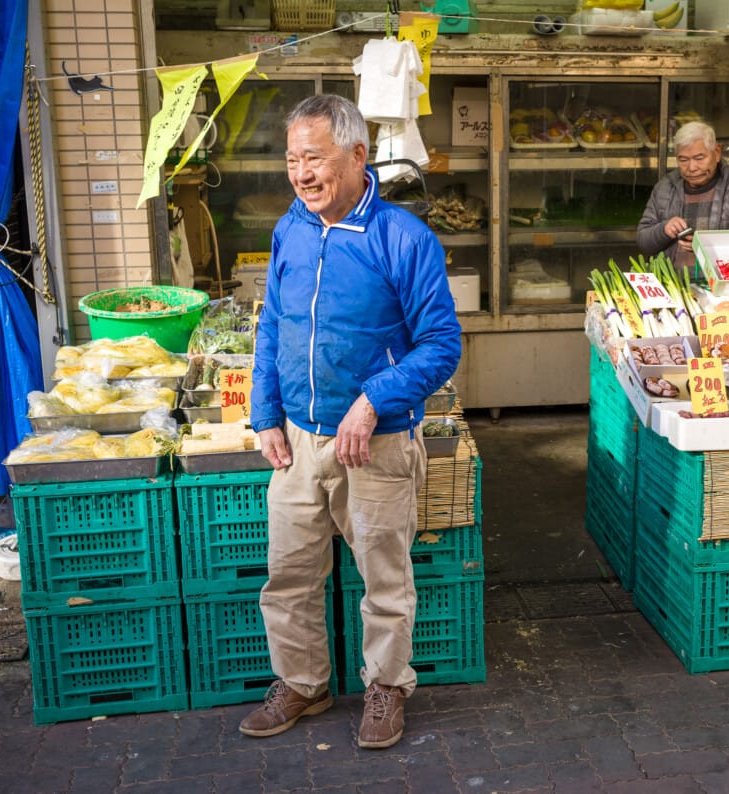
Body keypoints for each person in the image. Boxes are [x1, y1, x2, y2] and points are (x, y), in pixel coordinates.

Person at [239, 94, 461, 749]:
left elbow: (441, 343)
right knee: (289, 574)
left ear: (357, 155)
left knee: (385, 579)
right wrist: (264, 414)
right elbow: (273, 324)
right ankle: (303, 685)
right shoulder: (291, 229)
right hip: (301, 439)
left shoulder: (404, 237)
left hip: (378, 443)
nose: (302, 173)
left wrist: (374, 399)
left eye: (315, 158)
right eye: (292, 160)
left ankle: (386, 687)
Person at [637, 120, 729, 272]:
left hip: (717, 283)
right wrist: (664, 230)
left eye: (699, 158)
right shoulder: (665, 187)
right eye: (683, 160)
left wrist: (706, 248)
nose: (692, 168)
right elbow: (643, 241)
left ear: (717, 153)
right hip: (671, 283)